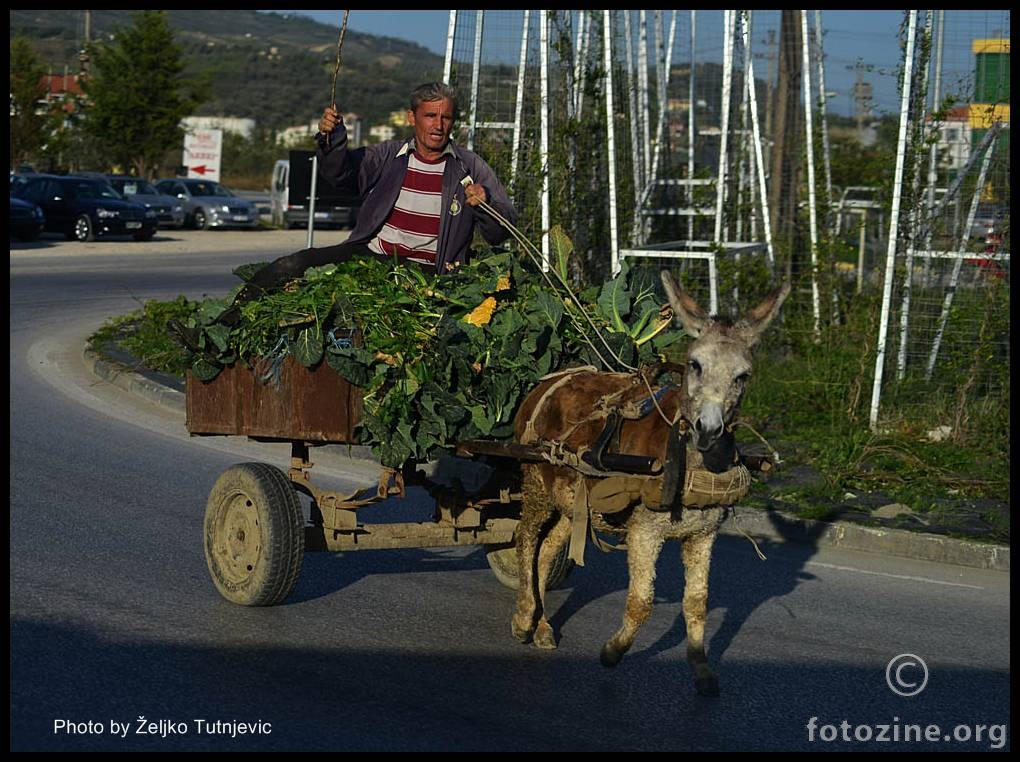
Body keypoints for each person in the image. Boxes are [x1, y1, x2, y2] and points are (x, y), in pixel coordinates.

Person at [170, 81, 516, 351]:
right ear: (412, 118)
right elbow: (342, 174)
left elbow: (501, 231)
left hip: (430, 272)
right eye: (430, 116)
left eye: (446, 117)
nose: (438, 125)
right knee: (296, 263)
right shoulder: (388, 155)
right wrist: (332, 138)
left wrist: (483, 205)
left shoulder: (469, 167)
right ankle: (216, 332)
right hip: (375, 254)